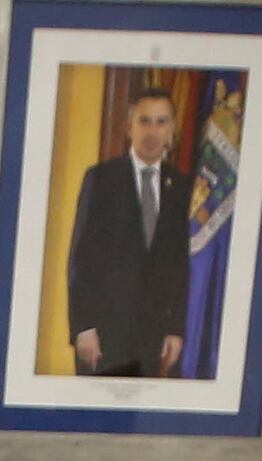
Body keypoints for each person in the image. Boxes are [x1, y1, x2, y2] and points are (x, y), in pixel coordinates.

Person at [65, 83, 193, 375]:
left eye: (161, 122)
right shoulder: (101, 180)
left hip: (155, 340)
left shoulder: (183, 187)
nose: (152, 132)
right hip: (104, 338)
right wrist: (83, 328)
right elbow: (80, 259)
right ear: (129, 127)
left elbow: (180, 266)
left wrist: (176, 330)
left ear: (172, 129)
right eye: (144, 121)